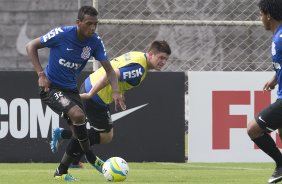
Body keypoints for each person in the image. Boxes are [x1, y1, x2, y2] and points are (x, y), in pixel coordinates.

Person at [25, 6, 125, 181]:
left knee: (79, 135)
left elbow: (109, 70)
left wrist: (116, 91)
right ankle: (92, 158)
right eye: (88, 24)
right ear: (78, 23)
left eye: (95, 24)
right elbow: (30, 46)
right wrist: (41, 74)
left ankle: (61, 172)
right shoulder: (62, 34)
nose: (92, 28)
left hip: (70, 90)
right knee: (78, 116)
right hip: (51, 88)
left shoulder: (95, 41)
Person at [50, 40, 171, 167]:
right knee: (105, 136)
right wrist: (95, 93)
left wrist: (119, 92)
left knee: (100, 133)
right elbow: (112, 74)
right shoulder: (139, 69)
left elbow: (117, 70)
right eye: (161, 57)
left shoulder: (138, 56)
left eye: (166, 59)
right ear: (151, 54)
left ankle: (71, 154)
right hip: (96, 95)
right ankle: (66, 161)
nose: (163, 62)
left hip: (91, 84)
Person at [247, 0, 282, 183]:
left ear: (268, 15)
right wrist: (275, 78)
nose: (259, 18)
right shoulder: (277, 36)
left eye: (260, 14)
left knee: (253, 129)